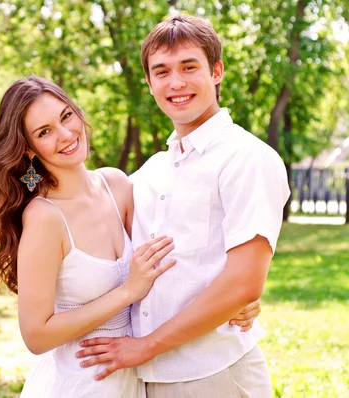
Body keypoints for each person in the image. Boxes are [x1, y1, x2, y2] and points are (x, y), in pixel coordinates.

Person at [0, 75, 261, 397]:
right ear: (28, 149)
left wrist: (233, 299)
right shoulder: (44, 217)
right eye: (44, 132)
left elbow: (181, 241)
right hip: (80, 383)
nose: (66, 134)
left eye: (66, 116)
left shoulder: (117, 186)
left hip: (134, 378)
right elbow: (36, 335)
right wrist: (127, 292)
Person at [76, 16, 291, 397]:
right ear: (149, 83)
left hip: (214, 373)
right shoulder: (150, 172)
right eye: (162, 71)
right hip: (146, 379)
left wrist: (147, 345)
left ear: (217, 72)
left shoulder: (248, 158)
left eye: (189, 67)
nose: (176, 83)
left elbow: (244, 281)